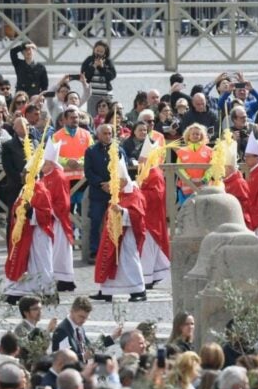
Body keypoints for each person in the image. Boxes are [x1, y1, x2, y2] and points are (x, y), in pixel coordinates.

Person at [4, 141, 56, 303]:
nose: (21, 174)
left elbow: (47, 214)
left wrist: (30, 211)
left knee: (40, 263)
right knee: (21, 261)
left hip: (38, 233)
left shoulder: (40, 190)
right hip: (24, 232)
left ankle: (49, 293)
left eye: (25, 172)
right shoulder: (25, 189)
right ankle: (16, 292)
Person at [91, 157, 148, 303]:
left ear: (124, 180)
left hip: (127, 236)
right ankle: (106, 290)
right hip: (112, 233)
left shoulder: (134, 193)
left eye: (117, 181)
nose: (114, 184)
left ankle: (138, 290)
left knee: (129, 262)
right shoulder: (118, 194)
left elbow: (138, 214)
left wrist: (122, 212)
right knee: (107, 258)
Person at [84, 124, 126, 264]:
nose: (108, 136)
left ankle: (116, 249)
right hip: (98, 192)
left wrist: (112, 184)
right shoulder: (90, 151)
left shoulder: (119, 150)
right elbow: (88, 172)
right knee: (95, 220)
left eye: (110, 133)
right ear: (99, 135)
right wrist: (102, 184)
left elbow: (123, 170)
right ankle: (94, 251)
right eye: (105, 133)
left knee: (116, 221)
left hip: (114, 192)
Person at [40, 138, 76, 292]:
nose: (42, 166)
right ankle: (57, 278)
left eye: (44, 163)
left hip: (57, 219)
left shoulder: (58, 177)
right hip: (48, 218)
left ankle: (64, 280)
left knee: (59, 250)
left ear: (51, 163)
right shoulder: (46, 176)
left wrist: (50, 211)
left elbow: (63, 201)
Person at [136, 138, 170, 290]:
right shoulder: (145, 172)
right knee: (150, 248)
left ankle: (147, 277)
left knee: (148, 247)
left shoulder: (155, 173)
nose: (139, 161)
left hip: (152, 216)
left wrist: (138, 192)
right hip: (146, 214)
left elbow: (155, 196)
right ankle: (157, 274)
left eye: (142, 158)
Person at [51, 296, 118, 363]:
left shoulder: (79, 327)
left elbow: (90, 346)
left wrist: (112, 337)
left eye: (86, 318)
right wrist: (83, 357)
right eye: (81, 317)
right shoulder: (62, 331)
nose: (84, 320)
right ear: (72, 311)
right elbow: (63, 359)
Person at [175, 123, 213, 203]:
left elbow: (212, 167)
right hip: (186, 188)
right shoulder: (181, 151)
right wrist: (188, 180)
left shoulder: (209, 151)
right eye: (193, 134)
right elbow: (179, 168)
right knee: (187, 212)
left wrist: (204, 180)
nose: (195, 136)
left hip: (204, 186)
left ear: (201, 136)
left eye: (198, 134)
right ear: (188, 136)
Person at [81, 40, 116, 116]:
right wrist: (93, 67)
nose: (99, 53)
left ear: (105, 52)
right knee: (92, 115)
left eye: (101, 51)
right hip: (92, 93)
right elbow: (85, 76)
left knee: (106, 115)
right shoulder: (89, 60)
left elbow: (112, 76)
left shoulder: (108, 62)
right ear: (94, 50)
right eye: (97, 50)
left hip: (105, 94)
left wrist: (102, 67)